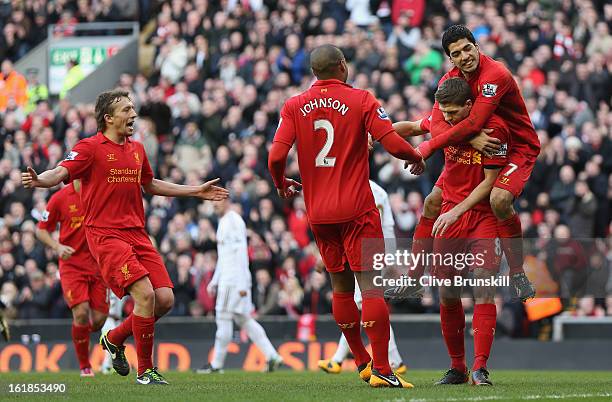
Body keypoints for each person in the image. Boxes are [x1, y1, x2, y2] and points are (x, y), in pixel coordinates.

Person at [21, 88, 229, 385]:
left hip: (137, 234)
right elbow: (60, 171)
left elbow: (151, 184)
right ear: (108, 118)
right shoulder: (89, 147)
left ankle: (115, 339)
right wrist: (41, 180)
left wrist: (195, 191)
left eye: (133, 109)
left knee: (165, 299)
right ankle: (145, 371)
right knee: (144, 295)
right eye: (126, 110)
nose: (133, 114)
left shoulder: (137, 149)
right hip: (105, 236)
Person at [268, 44, 424, 388]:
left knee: (340, 288)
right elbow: (391, 142)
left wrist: (280, 185)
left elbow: (276, 155)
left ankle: (362, 360)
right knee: (370, 290)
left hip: (319, 213)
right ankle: (383, 369)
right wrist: (417, 156)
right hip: (356, 209)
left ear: (313, 72)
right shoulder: (362, 99)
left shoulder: (293, 105)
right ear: (342, 65)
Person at [395, 25, 539, 301]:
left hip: (515, 147)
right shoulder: (451, 82)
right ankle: (413, 278)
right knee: (431, 202)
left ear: (477, 46)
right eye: (456, 53)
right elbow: (434, 123)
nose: (464, 57)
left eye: (467, 48)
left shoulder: (495, 74)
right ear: (450, 59)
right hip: (477, 146)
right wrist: (376, 134)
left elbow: (472, 123)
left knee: (498, 200)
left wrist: (425, 148)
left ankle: (518, 272)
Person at [429, 78, 508, 386]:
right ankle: (457, 367)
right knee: (447, 294)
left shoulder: (495, 130)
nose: (447, 118)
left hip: (481, 217)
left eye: (452, 112)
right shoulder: (445, 124)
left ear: (469, 107)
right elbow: (415, 126)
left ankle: (480, 367)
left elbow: (490, 182)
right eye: (443, 113)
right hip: (450, 216)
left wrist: (455, 210)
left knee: (483, 286)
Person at [318, 180, 407, 375]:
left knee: (364, 305)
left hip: (367, 255)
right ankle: (341, 359)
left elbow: (379, 228)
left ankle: (390, 360)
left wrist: (387, 261)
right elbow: (388, 227)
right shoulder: (378, 190)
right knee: (364, 307)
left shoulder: (351, 187)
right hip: (371, 253)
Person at [196, 197, 283, 374]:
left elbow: (241, 253)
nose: (215, 206)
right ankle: (272, 355)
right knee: (244, 319)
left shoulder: (233, 221)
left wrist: (242, 283)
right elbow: (224, 255)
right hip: (232, 279)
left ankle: (217, 364)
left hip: (233, 280)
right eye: (212, 204)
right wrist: (215, 280)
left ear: (226, 201)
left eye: (217, 202)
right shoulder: (224, 221)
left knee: (223, 318)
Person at [36, 179, 109, 377]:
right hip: (72, 266)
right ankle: (85, 366)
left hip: (99, 266)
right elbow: (41, 230)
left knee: (99, 321)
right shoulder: (59, 198)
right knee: (81, 313)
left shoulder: (99, 192)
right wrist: (57, 247)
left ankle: (85, 333)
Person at [100, 292, 126, 374]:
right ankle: (107, 367)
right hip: (108, 318)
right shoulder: (110, 288)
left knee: (116, 344)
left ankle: (108, 366)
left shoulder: (119, 288)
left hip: (117, 319)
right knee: (111, 344)